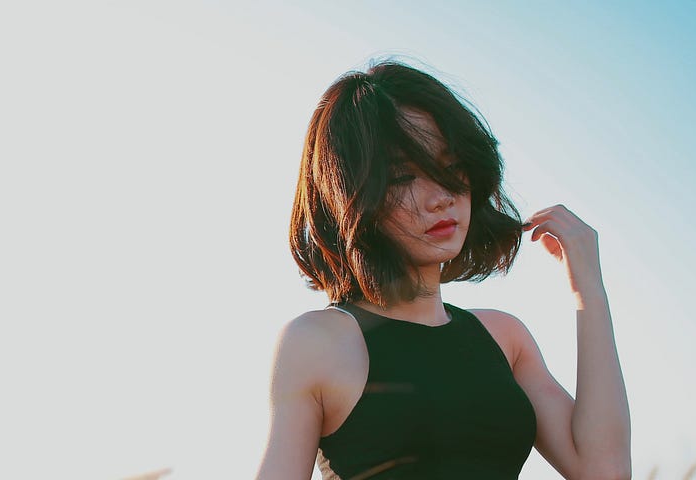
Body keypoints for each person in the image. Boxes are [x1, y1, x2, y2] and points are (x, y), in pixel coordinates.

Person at [255, 61, 632, 480]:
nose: (440, 197)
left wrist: (589, 291)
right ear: (350, 195)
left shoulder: (505, 339)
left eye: (451, 169)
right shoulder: (317, 341)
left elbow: (605, 472)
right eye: (402, 176)